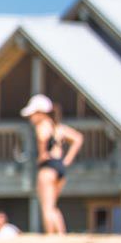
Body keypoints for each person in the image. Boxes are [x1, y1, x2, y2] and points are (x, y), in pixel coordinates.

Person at [22, 94, 82, 235]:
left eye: (32, 114)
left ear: (40, 112)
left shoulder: (42, 126)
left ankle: (50, 236)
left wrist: (42, 153)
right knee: (53, 206)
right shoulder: (58, 127)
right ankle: (61, 235)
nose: (31, 118)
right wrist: (67, 160)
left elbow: (42, 141)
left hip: (48, 168)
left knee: (47, 207)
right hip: (59, 167)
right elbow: (78, 138)